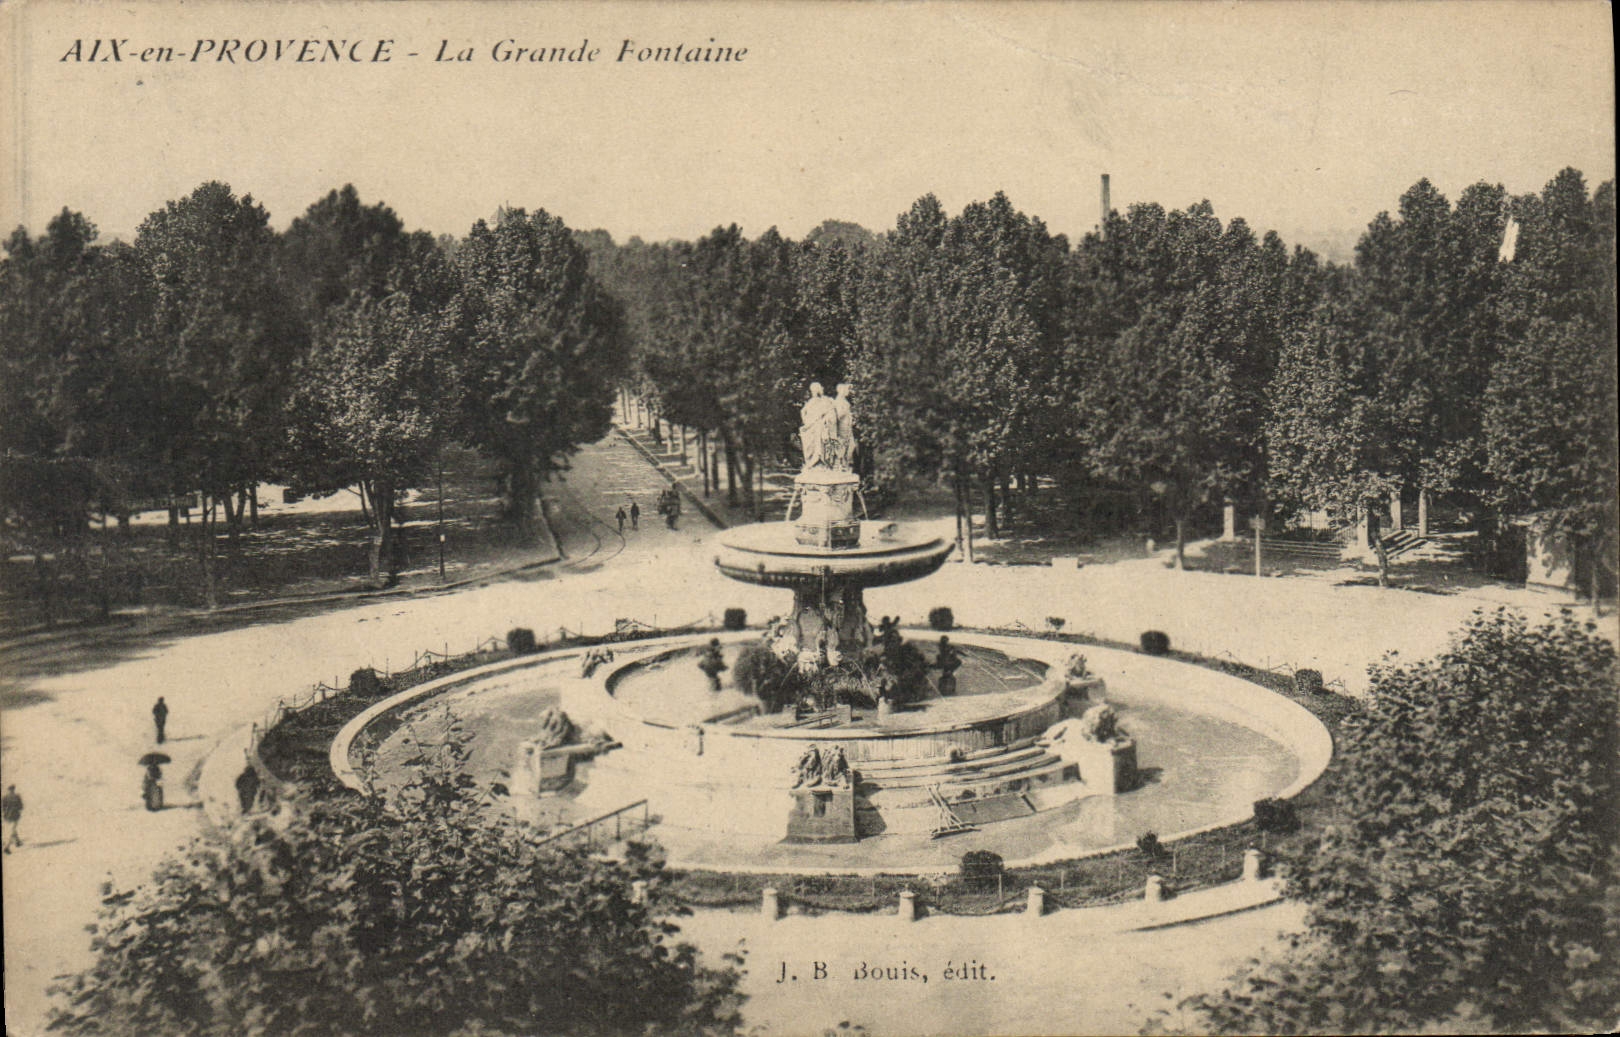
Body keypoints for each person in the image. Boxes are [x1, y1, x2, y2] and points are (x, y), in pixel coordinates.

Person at [2, 785, 22, 852]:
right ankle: (7, 847)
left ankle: (17, 841)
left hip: (9, 816)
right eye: (11, 790)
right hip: (13, 816)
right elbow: (21, 806)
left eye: (12, 790)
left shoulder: (5, 797)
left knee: (13, 829)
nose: (11, 791)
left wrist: (5, 812)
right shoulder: (16, 797)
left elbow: (3, 807)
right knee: (12, 830)